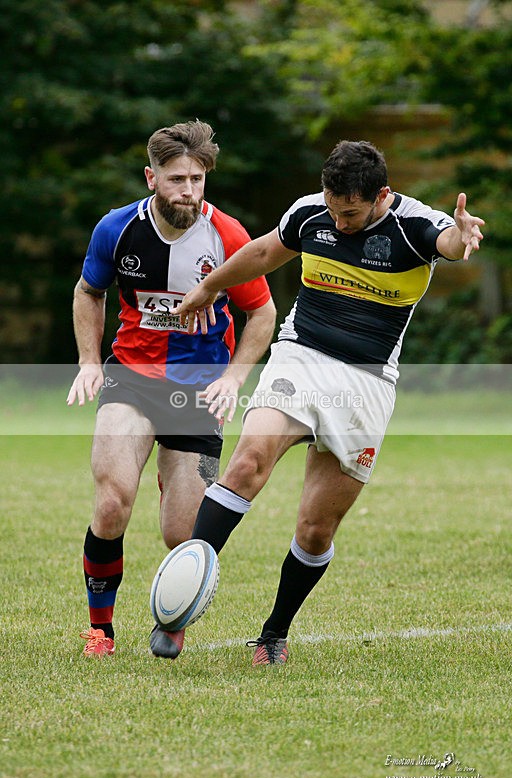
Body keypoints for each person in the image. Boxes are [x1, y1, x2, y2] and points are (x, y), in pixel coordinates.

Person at [171, 139, 485, 665]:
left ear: (382, 195)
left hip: (366, 382)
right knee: (248, 462)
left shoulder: (413, 226)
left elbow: (447, 243)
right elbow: (267, 251)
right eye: (333, 209)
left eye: (352, 214)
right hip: (301, 355)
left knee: (316, 530)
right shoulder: (311, 212)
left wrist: (462, 234)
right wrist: (210, 286)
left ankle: (273, 633)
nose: (339, 223)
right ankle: (178, 606)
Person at [67, 120, 276, 659]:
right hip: (131, 378)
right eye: (177, 178)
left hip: (198, 392)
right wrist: (90, 363)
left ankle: (174, 616)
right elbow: (88, 293)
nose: (188, 190)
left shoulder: (228, 236)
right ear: (151, 177)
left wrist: (233, 378)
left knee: (183, 534)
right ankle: (100, 629)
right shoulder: (117, 229)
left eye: (198, 179)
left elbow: (262, 312)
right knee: (112, 501)